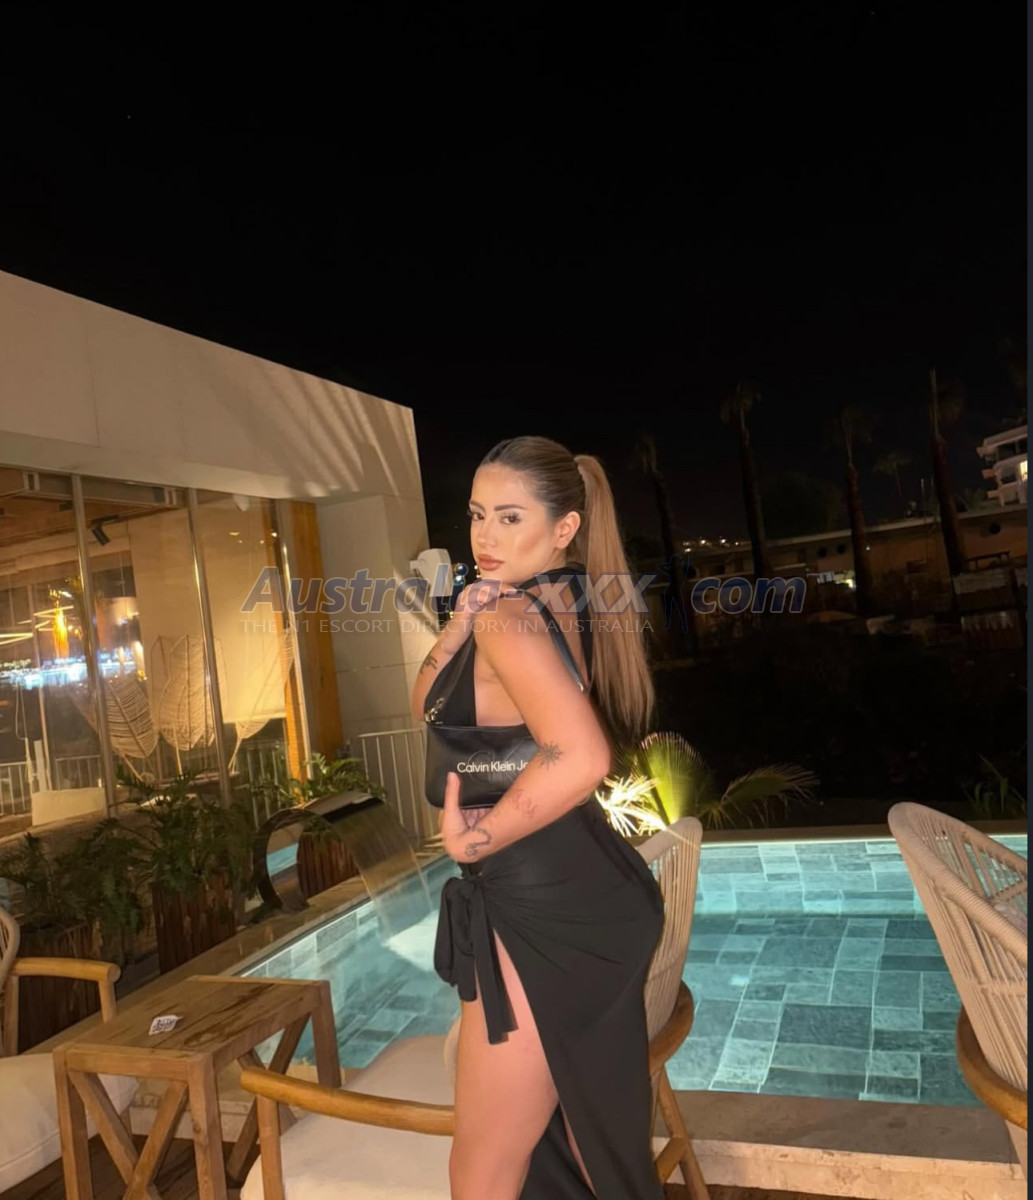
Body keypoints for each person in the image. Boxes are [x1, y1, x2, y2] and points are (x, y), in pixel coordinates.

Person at [410, 436, 665, 1200]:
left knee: (483, 1172)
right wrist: (457, 622)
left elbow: (580, 757)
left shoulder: (510, 615)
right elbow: (427, 703)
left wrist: (479, 837)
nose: (484, 537)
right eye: (476, 515)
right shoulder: (567, 595)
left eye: (509, 517)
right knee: (581, 1151)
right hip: (574, 887)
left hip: (539, 906)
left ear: (563, 527)